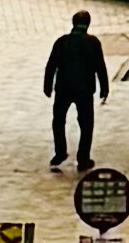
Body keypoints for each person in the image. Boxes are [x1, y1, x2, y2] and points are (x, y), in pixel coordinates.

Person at [44, 9, 108, 169]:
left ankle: (60, 152)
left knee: (58, 120)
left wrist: (47, 85)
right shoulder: (93, 42)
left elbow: (51, 65)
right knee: (86, 124)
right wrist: (104, 87)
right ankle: (83, 157)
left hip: (64, 88)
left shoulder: (62, 41)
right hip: (84, 89)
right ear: (88, 24)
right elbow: (100, 66)